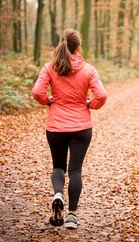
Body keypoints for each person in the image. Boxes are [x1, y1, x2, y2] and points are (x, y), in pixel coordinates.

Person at [32, 28, 108, 229]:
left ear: (62, 44)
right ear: (78, 46)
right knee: (75, 170)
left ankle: (58, 194)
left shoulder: (50, 68)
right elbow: (102, 95)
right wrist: (90, 104)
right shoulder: (89, 69)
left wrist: (48, 101)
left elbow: (37, 92)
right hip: (81, 127)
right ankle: (71, 216)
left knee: (58, 167)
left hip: (56, 126)